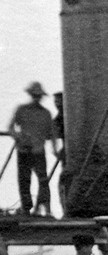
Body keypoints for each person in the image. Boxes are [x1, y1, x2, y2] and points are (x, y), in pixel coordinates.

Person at [9, 82, 58, 216]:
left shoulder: (46, 114)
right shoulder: (21, 110)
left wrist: (55, 150)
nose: (37, 98)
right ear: (31, 95)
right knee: (24, 180)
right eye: (35, 95)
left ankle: (47, 209)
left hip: (38, 151)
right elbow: (11, 127)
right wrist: (18, 137)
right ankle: (26, 209)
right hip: (24, 150)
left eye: (39, 96)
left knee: (43, 181)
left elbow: (52, 134)